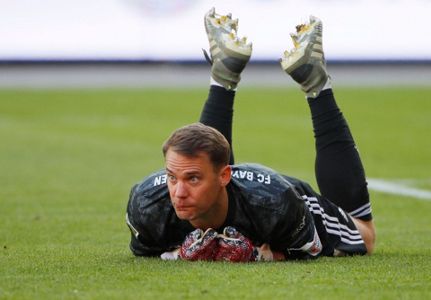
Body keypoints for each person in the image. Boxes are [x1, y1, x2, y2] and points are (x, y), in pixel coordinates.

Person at [125, 7, 376, 262]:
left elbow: (307, 250)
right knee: (205, 158)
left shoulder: (277, 203)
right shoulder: (145, 204)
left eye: (191, 179)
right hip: (234, 195)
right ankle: (223, 77)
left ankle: (317, 85)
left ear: (226, 175)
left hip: (276, 201)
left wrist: (259, 255)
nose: (178, 193)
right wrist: (177, 254)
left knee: (365, 236)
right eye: (171, 177)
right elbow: (147, 252)